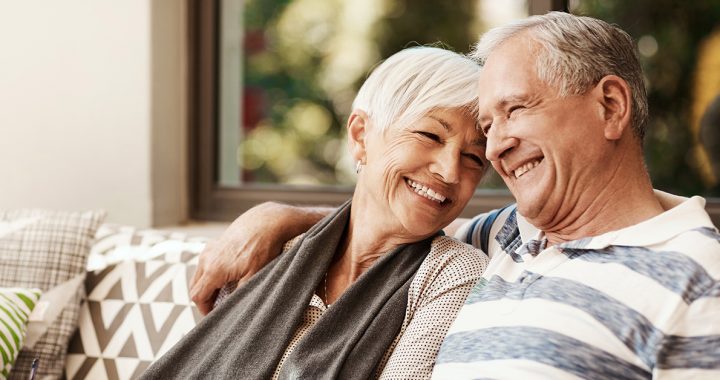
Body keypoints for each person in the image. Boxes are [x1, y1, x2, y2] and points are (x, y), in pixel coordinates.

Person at [190, 12, 720, 379]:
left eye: (515, 110)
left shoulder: (697, 279)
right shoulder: (506, 234)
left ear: (609, 106)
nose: (496, 148)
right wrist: (281, 216)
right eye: (489, 126)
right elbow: (391, 219)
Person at [142, 47, 490, 380]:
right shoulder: (273, 251)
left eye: (474, 158)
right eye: (429, 135)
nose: (450, 172)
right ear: (360, 135)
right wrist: (275, 216)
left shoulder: (453, 273)